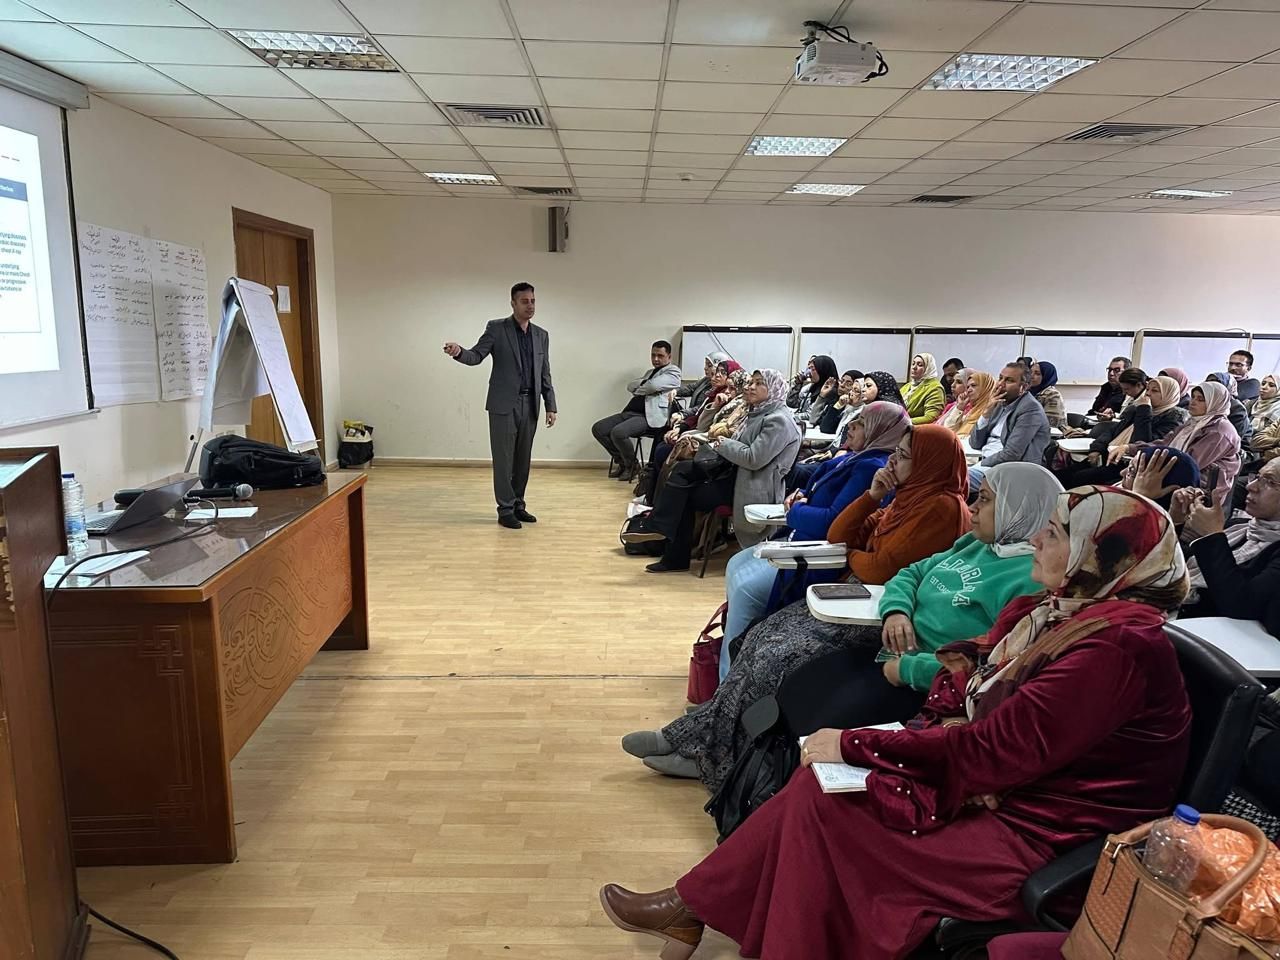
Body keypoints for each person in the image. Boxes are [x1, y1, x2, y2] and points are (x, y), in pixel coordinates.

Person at [600, 486, 1192, 960]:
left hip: (1041, 835)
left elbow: (988, 751)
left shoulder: (1116, 648)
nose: (1037, 537)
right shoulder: (1060, 613)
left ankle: (698, 910)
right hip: (1007, 794)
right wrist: (940, 717)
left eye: (1057, 533)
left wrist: (859, 744)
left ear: (1102, 558)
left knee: (827, 801)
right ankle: (697, 909)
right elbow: (967, 679)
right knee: (817, 787)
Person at [621, 426, 972, 785]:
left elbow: (880, 569)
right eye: (895, 451)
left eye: (904, 455)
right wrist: (871, 497)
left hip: (882, 619)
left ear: (929, 462)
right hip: (859, 598)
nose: (893, 461)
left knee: (776, 655)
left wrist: (854, 556)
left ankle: (710, 753)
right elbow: (839, 535)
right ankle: (698, 737)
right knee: (760, 635)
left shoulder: (940, 508)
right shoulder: (905, 498)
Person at [778, 462, 1063, 736]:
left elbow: (992, 667)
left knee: (812, 722)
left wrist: (907, 670)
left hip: (929, 683)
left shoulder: (1032, 577)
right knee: (795, 689)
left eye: (985, 499)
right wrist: (897, 610)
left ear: (1019, 510)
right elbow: (911, 572)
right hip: (892, 653)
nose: (973, 507)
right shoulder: (977, 543)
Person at [720, 402, 911, 669]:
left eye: (862, 423)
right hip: (800, 537)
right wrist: (801, 495)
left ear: (881, 431)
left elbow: (831, 522)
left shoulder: (871, 467)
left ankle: (732, 671)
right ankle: (731, 660)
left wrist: (795, 510)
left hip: (819, 553)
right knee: (735, 565)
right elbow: (816, 489)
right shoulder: (855, 456)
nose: (852, 426)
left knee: (745, 590)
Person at [628, 370, 800, 573]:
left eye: (759, 383)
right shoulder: (756, 411)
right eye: (751, 382)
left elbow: (753, 459)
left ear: (773, 389)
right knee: (681, 471)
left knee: (684, 495)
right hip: (733, 474)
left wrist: (723, 443)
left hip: (752, 486)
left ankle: (667, 543)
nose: (751, 387)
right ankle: (660, 529)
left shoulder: (778, 420)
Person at [443, 281, 557, 529]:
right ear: (513, 303)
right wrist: (459, 351)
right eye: (524, 301)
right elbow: (476, 355)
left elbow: (544, 372)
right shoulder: (497, 328)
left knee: (522, 460)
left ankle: (518, 505)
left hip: (531, 404)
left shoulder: (541, 335)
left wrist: (551, 404)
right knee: (504, 460)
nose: (530, 306)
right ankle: (505, 509)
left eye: (533, 301)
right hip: (504, 404)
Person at [1169, 456, 1280, 620]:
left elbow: (1241, 605)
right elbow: (1179, 563)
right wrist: (1176, 520)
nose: (1251, 486)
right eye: (1257, 477)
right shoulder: (1240, 526)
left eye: (1269, 482)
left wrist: (1212, 536)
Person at [1060, 374, 1188, 486]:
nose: (1148, 394)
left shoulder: (1172, 419)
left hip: (1128, 465)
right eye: (1148, 389)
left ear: (1168, 395)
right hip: (1108, 456)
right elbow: (1112, 431)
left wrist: (1144, 410)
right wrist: (1096, 449)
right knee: (1064, 474)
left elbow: (1142, 442)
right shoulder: (1136, 410)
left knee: (1080, 478)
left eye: (1154, 391)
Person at [1135, 380, 1241, 507]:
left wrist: (1143, 460)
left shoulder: (1219, 431)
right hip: (1177, 475)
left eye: (1200, 399)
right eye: (1193, 397)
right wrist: (1131, 448)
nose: (1193, 402)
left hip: (1198, 490)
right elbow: (1165, 443)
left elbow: (1189, 463)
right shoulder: (1194, 422)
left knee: (1138, 488)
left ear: (1215, 403)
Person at [591, 340, 682, 482]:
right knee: (599, 428)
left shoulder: (673, 372)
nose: (655, 359)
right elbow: (630, 385)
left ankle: (631, 466)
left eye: (660, 355)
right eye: (653, 355)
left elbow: (653, 386)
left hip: (648, 416)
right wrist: (645, 385)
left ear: (669, 357)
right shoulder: (650, 372)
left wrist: (642, 387)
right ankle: (624, 462)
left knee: (618, 433)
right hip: (630, 412)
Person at [968, 361, 1051, 496]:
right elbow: (975, 443)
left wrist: (981, 464)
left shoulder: (1030, 409)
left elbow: (1011, 454)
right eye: (1000, 378)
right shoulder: (999, 403)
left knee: (949, 481)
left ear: (1023, 387)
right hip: (987, 464)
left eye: (1009, 380)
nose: (1000, 384)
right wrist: (986, 412)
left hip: (1009, 470)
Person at [939, 370, 997, 439]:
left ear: (985, 387)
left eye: (973, 386)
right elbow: (948, 430)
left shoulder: (990, 412)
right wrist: (960, 408)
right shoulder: (972, 411)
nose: (969, 390)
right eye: (968, 387)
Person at [676, 351, 729, 415]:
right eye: (705, 364)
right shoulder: (706, 379)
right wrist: (676, 392)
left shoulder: (723, 389)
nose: (705, 368)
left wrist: (683, 414)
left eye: (709, 365)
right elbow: (691, 388)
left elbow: (702, 407)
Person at [1206, 371, 1253, 443]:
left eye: (1217, 383)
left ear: (1227, 386)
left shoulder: (1236, 408)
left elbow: (1232, 439)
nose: (1212, 386)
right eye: (1209, 383)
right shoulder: (1207, 402)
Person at [787, 355, 838, 420]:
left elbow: (810, 415)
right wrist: (798, 384)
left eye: (813, 369)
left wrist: (791, 416)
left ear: (822, 371)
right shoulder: (812, 386)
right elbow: (792, 403)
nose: (809, 373)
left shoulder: (829, 391)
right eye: (809, 368)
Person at [902, 353, 946, 425]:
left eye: (920, 365)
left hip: (916, 429)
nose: (914, 367)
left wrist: (904, 422)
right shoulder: (907, 386)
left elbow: (931, 417)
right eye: (913, 364)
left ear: (928, 368)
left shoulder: (935, 388)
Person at [1249, 375, 1280, 461]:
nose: (1264, 387)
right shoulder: (1252, 403)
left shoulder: (1278, 410)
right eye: (1263, 383)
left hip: (1260, 452)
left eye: (1271, 385)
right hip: (1245, 442)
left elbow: (1264, 436)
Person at [1029, 361, 1066, 431]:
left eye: (1037, 374)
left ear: (1046, 376)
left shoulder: (1052, 395)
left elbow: (1051, 423)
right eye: (1030, 372)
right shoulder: (1026, 391)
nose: (1031, 376)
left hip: (1049, 434)